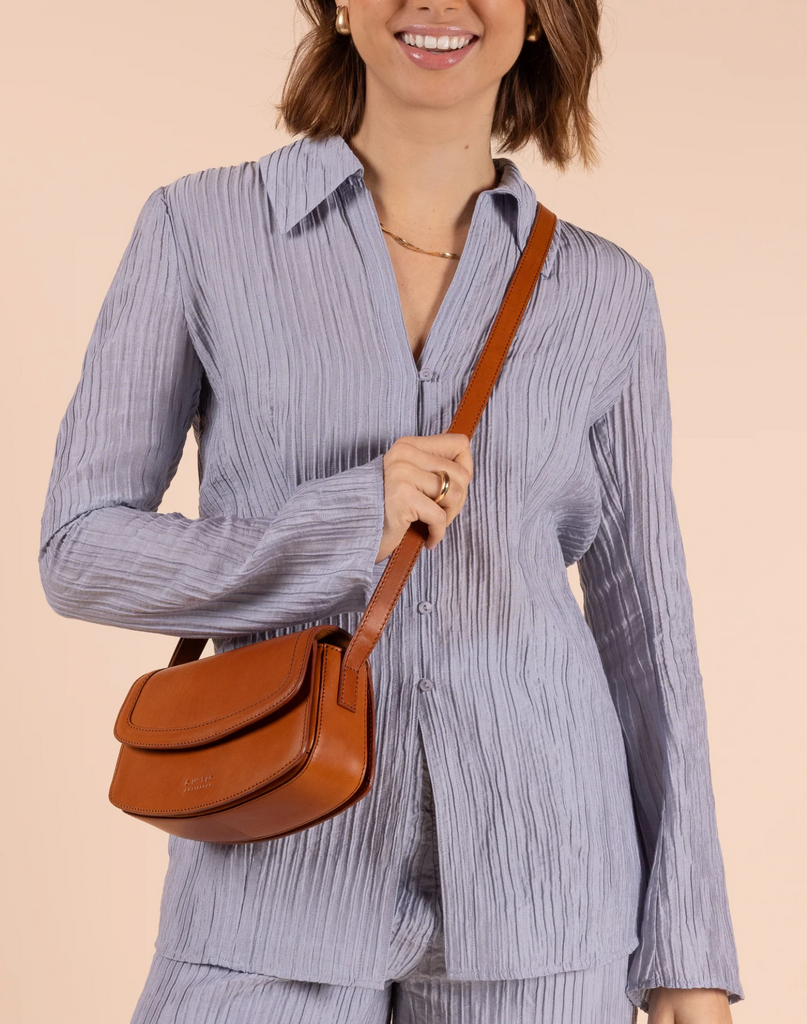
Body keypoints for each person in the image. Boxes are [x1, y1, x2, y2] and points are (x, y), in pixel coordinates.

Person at [38, 0, 745, 1021]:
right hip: (269, 882)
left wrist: (688, 947)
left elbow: (648, 632)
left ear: (539, 19)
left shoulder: (605, 295)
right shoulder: (200, 231)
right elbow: (80, 548)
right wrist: (341, 523)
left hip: (546, 896)